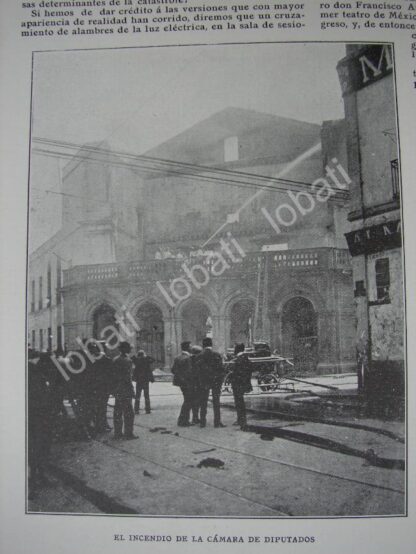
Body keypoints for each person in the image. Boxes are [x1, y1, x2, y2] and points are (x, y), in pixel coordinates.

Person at [28, 351, 54, 493]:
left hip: (40, 416)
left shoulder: (37, 372)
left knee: (39, 447)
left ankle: (38, 476)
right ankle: (34, 481)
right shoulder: (35, 374)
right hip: (37, 416)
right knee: (38, 447)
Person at [194, 337, 225, 428]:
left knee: (203, 401)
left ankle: (202, 422)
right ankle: (217, 422)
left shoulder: (199, 356)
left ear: (203, 345)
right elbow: (221, 369)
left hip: (204, 381)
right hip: (215, 381)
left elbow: (196, 371)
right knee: (216, 401)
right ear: (211, 344)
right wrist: (219, 380)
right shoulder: (217, 355)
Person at [113, 342, 137, 440]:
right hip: (125, 389)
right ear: (126, 349)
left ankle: (117, 433)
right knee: (129, 412)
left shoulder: (115, 360)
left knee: (118, 411)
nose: (131, 350)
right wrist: (132, 390)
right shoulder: (128, 361)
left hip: (117, 388)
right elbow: (128, 377)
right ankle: (129, 433)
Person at [229, 343, 253, 431]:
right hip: (243, 383)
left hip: (238, 384)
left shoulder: (238, 360)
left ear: (237, 350)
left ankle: (241, 420)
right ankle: (241, 419)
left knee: (239, 402)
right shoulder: (246, 359)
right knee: (240, 402)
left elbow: (236, 373)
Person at [171, 341, 194, 427]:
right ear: (187, 347)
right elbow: (190, 372)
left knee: (187, 400)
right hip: (187, 383)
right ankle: (183, 421)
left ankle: (183, 420)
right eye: (190, 346)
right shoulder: (188, 358)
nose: (191, 348)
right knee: (188, 401)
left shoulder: (177, 357)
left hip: (180, 383)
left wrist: (180, 375)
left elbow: (173, 370)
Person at [132, 349, 155, 414]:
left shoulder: (136, 360)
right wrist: (146, 356)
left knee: (138, 395)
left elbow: (132, 358)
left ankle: (136, 410)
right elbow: (153, 359)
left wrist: (136, 356)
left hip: (139, 380)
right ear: (143, 354)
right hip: (145, 380)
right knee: (146, 395)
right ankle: (147, 409)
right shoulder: (146, 359)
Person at [190, 345, 202, 424]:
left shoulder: (189, 359)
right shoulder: (199, 360)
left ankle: (195, 417)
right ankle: (196, 418)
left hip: (191, 383)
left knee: (194, 401)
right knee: (198, 401)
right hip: (198, 382)